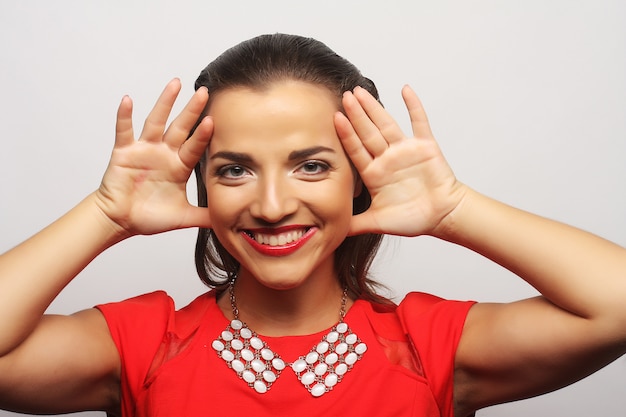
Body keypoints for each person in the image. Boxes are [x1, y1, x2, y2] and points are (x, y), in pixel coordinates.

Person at [0, 33, 624, 417]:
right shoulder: (140, 346)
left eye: (312, 165)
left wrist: (456, 209)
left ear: (358, 178)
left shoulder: (429, 347)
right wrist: (104, 213)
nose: (272, 205)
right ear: (202, 185)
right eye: (236, 170)